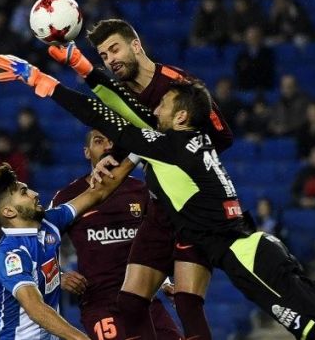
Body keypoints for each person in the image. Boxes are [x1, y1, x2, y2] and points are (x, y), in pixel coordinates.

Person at [0, 54, 315, 340]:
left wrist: (44, 83)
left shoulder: (176, 149)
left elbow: (113, 123)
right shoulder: (185, 146)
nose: (155, 110)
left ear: (182, 117)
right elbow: (124, 111)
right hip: (254, 255)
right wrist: (84, 66)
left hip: (251, 261)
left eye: (165, 105)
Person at [46, 18, 234, 339]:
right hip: (161, 205)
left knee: (187, 301)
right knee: (133, 302)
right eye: (104, 55)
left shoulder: (176, 84)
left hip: (192, 202)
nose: (111, 59)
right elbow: (129, 130)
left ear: (136, 46)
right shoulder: (123, 94)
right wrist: (116, 156)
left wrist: (181, 154)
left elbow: (222, 135)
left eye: (114, 49)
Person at [0, 157, 138, 340]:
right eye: (24, 193)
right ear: (9, 212)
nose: (34, 193)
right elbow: (34, 308)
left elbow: (98, 192)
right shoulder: (11, 253)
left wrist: (136, 153)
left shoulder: (49, 222)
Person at [49, 129, 182, 339]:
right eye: (98, 141)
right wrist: (59, 276)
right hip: (100, 302)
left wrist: (164, 283)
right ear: (87, 152)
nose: (107, 146)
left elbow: (155, 242)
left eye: (112, 141)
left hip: (143, 298)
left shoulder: (142, 190)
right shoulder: (68, 197)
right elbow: (41, 244)